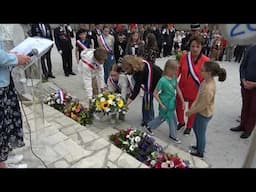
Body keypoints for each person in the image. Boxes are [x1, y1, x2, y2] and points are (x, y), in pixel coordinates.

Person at [186, 61, 226, 158]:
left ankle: (200, 152)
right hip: (200, 112)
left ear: (209, 73)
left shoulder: (208, 88)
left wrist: (191, 111)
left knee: (200, 133)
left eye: (202, 70)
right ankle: (199, 145)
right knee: (195, 128)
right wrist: (193, 106)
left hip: (204, 114)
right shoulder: (205, 81)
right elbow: (198, 96)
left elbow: (202, 106)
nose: (200, 72)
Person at [0, 41, 31, 168]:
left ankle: (4, 157)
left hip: (4, 82)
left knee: (7, 124)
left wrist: (7, 55)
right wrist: (14, 58)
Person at [176, 36, 210, 135]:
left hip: (195, 91)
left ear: (201, 47)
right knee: (178, 106)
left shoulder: (206, 60)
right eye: (192, 46)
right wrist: (172, 81)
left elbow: (208, 78)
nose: (195, 49)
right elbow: (178, 71)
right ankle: (181, 122)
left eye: (197, 46)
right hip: (181, 88)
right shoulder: (183, 57)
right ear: (189, 47)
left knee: (192, 109)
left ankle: (189, 126)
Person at [146, 59, 185, 143]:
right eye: (174, 70)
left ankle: (149, 126)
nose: (176, 72)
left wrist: (182, 101)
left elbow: (178, 89)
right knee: (172, 119)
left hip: (171, 102)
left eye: (176, 70)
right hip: (164, 102)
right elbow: (155, 93)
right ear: (168, 69)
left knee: (162, 117)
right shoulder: (162, 80)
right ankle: (173, 135)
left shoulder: (174, 78)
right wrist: (161, 104)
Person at [121, 55, 162, 127]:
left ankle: (149, 120)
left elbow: (136, 90)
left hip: (156, 80)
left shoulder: (142, 71)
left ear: (131, 65)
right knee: (146, 99)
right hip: (149, 79)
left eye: (127, 69)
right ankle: (146, 118)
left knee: (148, 99)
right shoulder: (137, 67)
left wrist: (126, 104)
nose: (126, 72)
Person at [230, 44, 256, 139]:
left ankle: (248, 129)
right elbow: (243, 66)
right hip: (246, 85)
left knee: (253, 109)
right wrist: (243, 80)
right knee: (245, 106)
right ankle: (242, 125)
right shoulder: (250, 49)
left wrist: (254, 84)